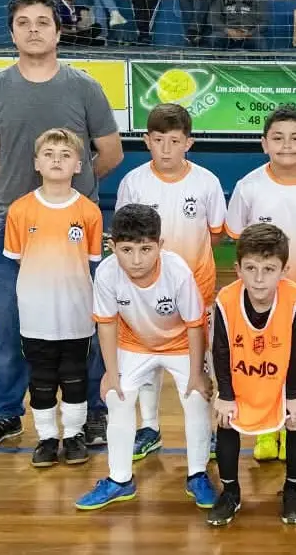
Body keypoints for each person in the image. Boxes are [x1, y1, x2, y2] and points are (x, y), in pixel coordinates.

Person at [0, 0, 123, 451]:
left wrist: (70, 194)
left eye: (42, 21)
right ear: (12, 32)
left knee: (92, 324)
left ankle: (94, 413)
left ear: (58, 30)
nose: (33, 29)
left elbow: (109, 153)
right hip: (14, 230)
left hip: (78, 231)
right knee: (10, 327)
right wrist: (28, 201)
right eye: (23, 22)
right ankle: (3, 415)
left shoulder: (84, 87)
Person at [75, 204, 212, 512]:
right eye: (126, 250)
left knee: (196, 398)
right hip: (134, 343)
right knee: (117, 397)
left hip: (179, 344)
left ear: (160, 246)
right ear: (112, 247)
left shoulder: (177, 271)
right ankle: (120, 479)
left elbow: (195, 325)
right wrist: (111, 374)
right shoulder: (108, 273)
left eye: (146, 249)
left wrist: (196, 373)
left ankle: (198, 474)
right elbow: (106, 324)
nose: (136, 260)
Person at [225, 108, 296, 463]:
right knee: (263, 366)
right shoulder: (248, 187)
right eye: (277, 138)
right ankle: (266, 431)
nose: (286, 146)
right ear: (264, 143)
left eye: (295, 138)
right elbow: (237, 240)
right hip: (259, 303)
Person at [115, 103, 226, 459]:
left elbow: (216, 235)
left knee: (201, 362)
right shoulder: (133, 182)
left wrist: (185, 276)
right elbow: (126, 237)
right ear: (147, 141)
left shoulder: (207, 181)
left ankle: (205, 432)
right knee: (147, 357)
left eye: (174, 141)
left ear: (188, 143)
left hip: (197, 290)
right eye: (158, 140)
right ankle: (149, 427)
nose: (166, 149)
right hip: (144, 293)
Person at [3, 128, 103, 467]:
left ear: (79, 165)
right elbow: (17, 257)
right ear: (36, 163)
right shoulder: (20, 210)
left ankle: (74, 435)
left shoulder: (89, 212)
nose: (57, 160)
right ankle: (46, 438)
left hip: (76, 312)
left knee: (75, 375)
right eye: (49, 154)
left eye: (65, 154)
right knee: (41, 378)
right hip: (36, 313)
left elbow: (91, 263)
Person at [208, 223, 296, 526]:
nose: (259, 278)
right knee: (226, 419)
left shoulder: (295, 297)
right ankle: (230, 492)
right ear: (237, 268)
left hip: (278, 379)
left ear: (284, 269)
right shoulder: (226, 299)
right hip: (241, 379)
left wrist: (294, 394)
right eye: (251, 268)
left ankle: (292, 489)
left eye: (269, 269)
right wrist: (224, 394)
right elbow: (220, 350)